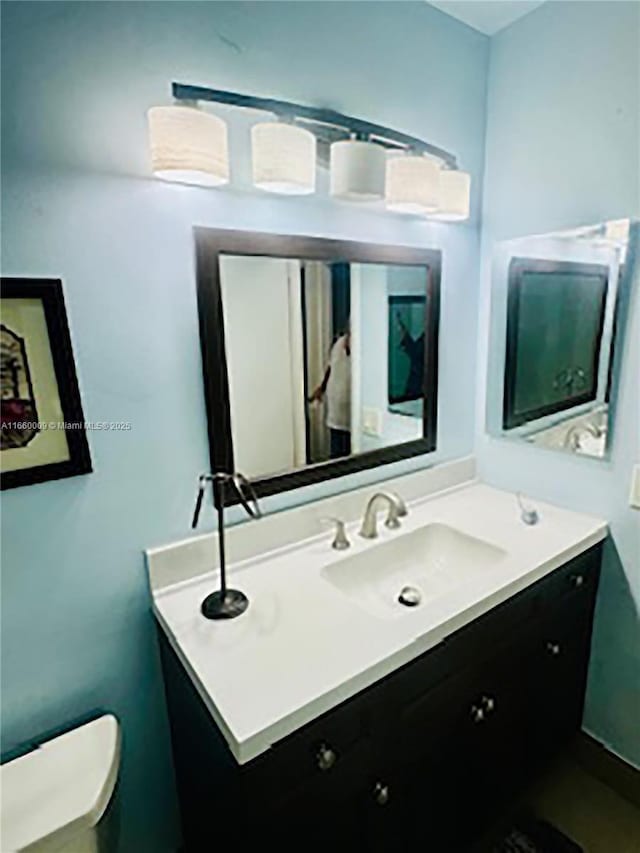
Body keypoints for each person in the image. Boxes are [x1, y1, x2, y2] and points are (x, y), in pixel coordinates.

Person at [310, 327, 351, 459]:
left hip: (352, 419)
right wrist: (321, 388)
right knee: (336, 457)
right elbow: (330, 367)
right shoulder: (338, 344)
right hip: (335, 414)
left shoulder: (364, 347)